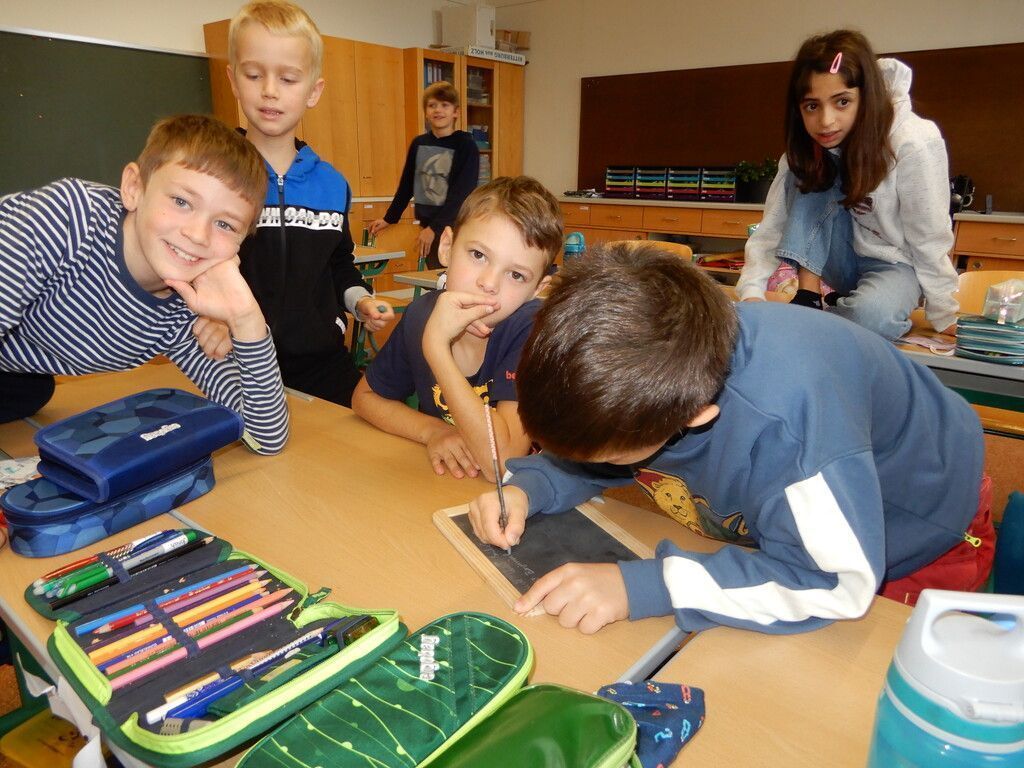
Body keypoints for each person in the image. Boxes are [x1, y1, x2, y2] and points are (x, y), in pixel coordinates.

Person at [468, 243, 993, 635]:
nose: (586, 461)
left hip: (917, 528)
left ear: (695, 417)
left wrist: (646, 586)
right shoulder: (664, 365)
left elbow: (836, 584)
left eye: (608, 455)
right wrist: (530, 486)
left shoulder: (791, 431)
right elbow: (593, 441)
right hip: (800, 512)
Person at [0, 114, 289, 454]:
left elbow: (266, 436)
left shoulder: (188, 307)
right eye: (181, 202)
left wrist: (246, 319)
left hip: (16, 375)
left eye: (225, 224)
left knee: (31, 393)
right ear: (134, 188)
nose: (197, 235)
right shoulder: (64, 221)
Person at [736, 29, 959, 340]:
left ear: (866, 96)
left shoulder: (913, 140)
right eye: (812, 106)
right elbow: (773, 225)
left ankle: (831, 312)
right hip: (834, 256)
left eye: (842, 102)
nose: (826, 121)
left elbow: (929, 235)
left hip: (893, 262)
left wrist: (943, 311)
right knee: (814, 160)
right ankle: (809, 296)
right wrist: (752, 292)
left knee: (870, 319)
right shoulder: (803, 149)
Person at [223, 0, 393, 406]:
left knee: (363, 438)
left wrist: (360, 301)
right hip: (235, 362)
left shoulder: (332, 185)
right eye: (253, 74)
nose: (269, 90)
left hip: (321, 360)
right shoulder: (215, 179)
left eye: (288, 78)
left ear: (313, 91)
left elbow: (339, 265)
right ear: (233, 80)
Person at [352, 176, 562, 481]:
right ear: (447, 247)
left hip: (530, 499)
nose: (488, 284)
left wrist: (436, 346)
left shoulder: (530, 332)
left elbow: (502, 465)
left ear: (536, 290)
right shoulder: (420, 315)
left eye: (516, 275)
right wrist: (433, 431)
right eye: (478, 255)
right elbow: (365, 398)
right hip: (452, 484)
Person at [368, 81, 481, 270]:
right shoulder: (419, 144)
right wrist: (390, 217)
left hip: (455, 228)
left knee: (450, 279)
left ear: (456, 112)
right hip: (428, 226)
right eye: (432, 105)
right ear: (426, 112)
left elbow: (461, 195)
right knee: (435, 280)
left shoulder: (465, 145)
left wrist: (434, 229)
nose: (438, 110)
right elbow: (406, 186)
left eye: (445, 105)